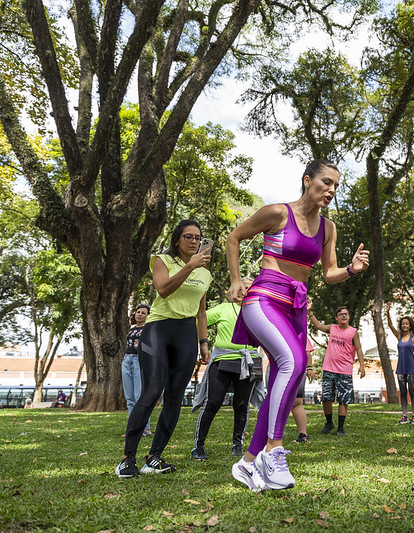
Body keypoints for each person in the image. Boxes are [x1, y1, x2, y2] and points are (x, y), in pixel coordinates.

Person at [225, 159, 370, 492]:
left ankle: (247, 464)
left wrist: (350, 269)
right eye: (326, 182)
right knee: (296, 361)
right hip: (264, 297)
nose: (331, 190)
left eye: (336, 185)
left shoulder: (327, 228)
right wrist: (235, 279)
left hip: (296, 309)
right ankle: (273, 450)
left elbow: (329, 274)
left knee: (286, 382)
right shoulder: (278, 213)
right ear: (308, 181)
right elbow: (234, 237)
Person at [115, 220, 212, 478]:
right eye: (188, 236)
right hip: (158, 329)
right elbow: (164, 290)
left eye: (198, 237)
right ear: (177, 239)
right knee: (151, 392)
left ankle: (154, 457)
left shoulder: (205, 273)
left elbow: (201, 313)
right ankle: (128, 459)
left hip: (186, 333)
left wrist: (204, 343)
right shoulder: (162, 260)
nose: (194, 241)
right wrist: (190, 266)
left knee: (174, 398)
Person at [191, 277, 265, 460]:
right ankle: (198, 446)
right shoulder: (224, 308)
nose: (245, 292)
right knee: (213, 402)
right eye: (242, 288)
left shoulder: (259, 311)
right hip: (223, 360)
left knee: (241, 405)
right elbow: (199, 320)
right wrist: (204, 344)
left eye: (250, 288)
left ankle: (237, 445)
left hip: (249, 362)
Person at [309, 304, 366, 435]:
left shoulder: (353, 332)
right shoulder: (332, 328)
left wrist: (362, 366)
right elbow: (318, 326)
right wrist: (310, 312)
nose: (344, 316)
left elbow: (358, 349)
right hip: (329, 369)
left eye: (346, 314)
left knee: (343, 400)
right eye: (341, 314)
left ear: (349, 317)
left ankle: (340, 428)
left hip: (344, 370)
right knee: (326, 397)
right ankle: (329, 423)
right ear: (337, 318)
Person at [385, 303, 414, 423]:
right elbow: (390, 325)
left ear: (410, 325)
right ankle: (404, 416)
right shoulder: (399, 336)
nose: (404, 325)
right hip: (401, 368)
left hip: (411, 368)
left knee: (412, 391)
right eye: (402, 324)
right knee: (403, 392)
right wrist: (388, 311)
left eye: (406, 323)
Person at [122, 304, 151, 437]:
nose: (139, 314)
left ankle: (146, 428)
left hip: (139, 361)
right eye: (138, 312)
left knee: (140, 396)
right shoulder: (131, 329)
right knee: (130, 398)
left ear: (147, 316)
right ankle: (132, 429)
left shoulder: (149, 329)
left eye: (143, 313)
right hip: (127, 360)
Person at [290, 337, 316, 443]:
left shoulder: (300, 332)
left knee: (296, 402)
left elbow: (307, 352)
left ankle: (303, 434)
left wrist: (309, 368)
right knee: (275, 402)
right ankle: (272, 435)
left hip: (297, 369)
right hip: (278, 367)